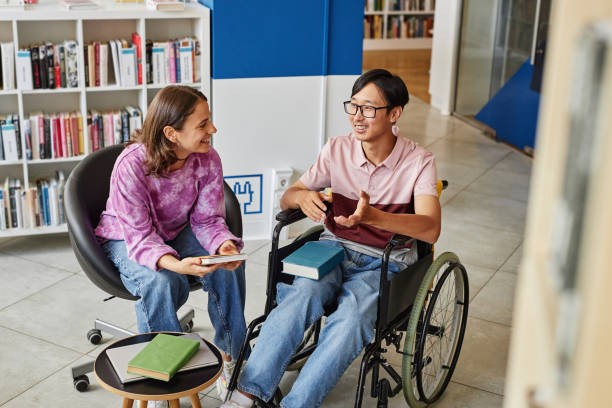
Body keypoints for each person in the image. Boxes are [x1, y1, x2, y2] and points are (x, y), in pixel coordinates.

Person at [222, 69, 441, 408]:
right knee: (300, 297)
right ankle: (246, 394)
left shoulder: (419, 162)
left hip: (385, 261)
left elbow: (430, 228)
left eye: (368, 108)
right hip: (332, 250)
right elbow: (288, 197)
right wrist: (300, 198)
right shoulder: (337, 149)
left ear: (394, 113)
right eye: (353, 106)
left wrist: (373, 217)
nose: (357, 116)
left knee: (351, 318)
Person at [95, 85, 246, 399]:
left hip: (174, 232)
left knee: (228, 266)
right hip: (124, 237)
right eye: (202, 124)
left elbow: (208, 220)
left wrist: (222, 246)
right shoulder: (131, 165)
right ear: (171, 133)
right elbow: (138, 237)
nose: (212, 129)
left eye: (210, 120)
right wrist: (176, 264)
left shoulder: (207, 159)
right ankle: (161, 380)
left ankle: (232, 357)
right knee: (161, 281)